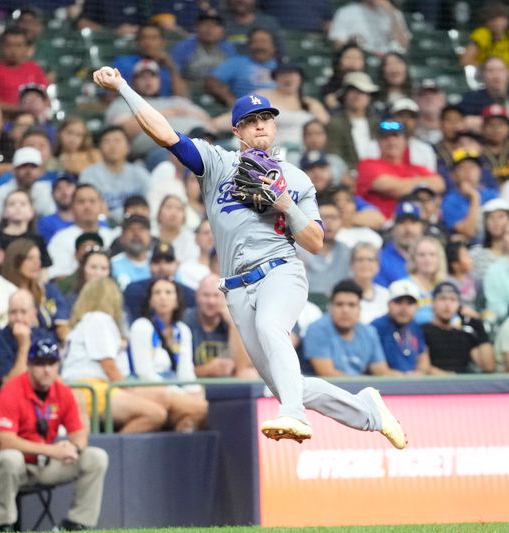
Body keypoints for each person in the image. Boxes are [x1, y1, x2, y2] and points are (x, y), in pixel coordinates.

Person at [93, 66, 407, 446]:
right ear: (237, 131)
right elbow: (165, 134)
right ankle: (368, 412)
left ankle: (293, 415)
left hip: (280, 272)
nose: (260, 125)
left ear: (274, 128)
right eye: (250, 121)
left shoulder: (296, 178)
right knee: (284, 383)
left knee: (272, 329)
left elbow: (314, 241)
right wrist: (124, 87)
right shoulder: (217, 164)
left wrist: (285, 205)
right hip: (236, 288)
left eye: (266, 119)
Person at [0, 335, 109, 532]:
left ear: (58, 366)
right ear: (29, 365)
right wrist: (52, 450)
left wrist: (74, 448)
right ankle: (3, 524)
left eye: (52, 363)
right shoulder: (11, 390)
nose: (47, 370)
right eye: (40, 363)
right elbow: (6, 441)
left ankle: (76, 523)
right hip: (10, 468)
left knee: (96, 457)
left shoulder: (62, 392)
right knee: (11, 458)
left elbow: (78, 433)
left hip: (44, 465)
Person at [60, 277, 170, 434]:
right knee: (156, 414)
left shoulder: (85, 322)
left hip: (87, 388)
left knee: (160, 396)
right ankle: (116, 449)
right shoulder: (99, 319)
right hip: (91, 389)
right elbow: (109, 366)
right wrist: (129, 390)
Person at [129, 277, 209, 432]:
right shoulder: (142, 326)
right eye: (157, 293)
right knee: (204, 409)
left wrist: (194, 391)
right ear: (150, 300)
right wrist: (180, 394)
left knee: (197, 405)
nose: (163, 297)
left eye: (168, 292)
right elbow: (144, 374)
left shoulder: (182, 329)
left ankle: (183, 433)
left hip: (174, 391)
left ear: (176, 300)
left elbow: (186, 372)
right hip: (148, 389)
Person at [303, 279, 396, 377]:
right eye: (339, 304)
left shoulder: (369, 333)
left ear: (359, 309)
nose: (345, 310)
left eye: (351, 305)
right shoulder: (317, 330)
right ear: (330, 308)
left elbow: (381, 372)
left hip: (358, 389)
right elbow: (328, 374)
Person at [355, 120, 444, 220]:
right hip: (382, 223)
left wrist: (401, 185)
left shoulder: (416, 168)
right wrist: (422, 184)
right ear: (378, 142)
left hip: (416, 223)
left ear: (405, 141)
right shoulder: (368, 165)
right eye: (385, 137)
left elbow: (439, 183)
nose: (391, 142)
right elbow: (391, 187)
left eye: (396, 136)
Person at [182, 274, 255, 378]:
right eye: (206, 295)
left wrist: (233, 325)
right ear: (197, 296)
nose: (211, 301)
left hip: (228, 382)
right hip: (196, 384)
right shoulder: (185, 321)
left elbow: (243, 366)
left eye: (216, 295)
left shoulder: (234, 320)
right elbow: (176, 372)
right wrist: (207, 369)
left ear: (225, 297)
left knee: (249, 374)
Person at [0, 289, 55, 392]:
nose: (18, 318)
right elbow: (9, 388)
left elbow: (53, 377)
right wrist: (24, 345)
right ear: (7, 313)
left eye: (23, 312)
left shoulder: (45, 338)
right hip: (12, 402)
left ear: (34, 314)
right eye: (13, 312)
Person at [0, 238, 69, 342]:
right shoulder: (4, 292)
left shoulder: (48, 290)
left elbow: (62, 322)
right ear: (15, 260)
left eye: (38, 258)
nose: (37, 263)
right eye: (30, 258)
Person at [78, 126, 149, 226]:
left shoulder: (140, 174)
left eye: (117, 141)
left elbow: (148, 205)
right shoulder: (89, 175)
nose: (113, 146)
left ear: (128, 147)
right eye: (107, 141)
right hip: (102, 227)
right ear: (100, 148)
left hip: (136, 226)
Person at [47, 184, 119, 279]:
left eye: (92, 201)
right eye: (81, 202)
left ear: (101, 205)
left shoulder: (113, 235)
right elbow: (55, 276)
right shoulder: (60, 239)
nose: (87, 206)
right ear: (72, 207)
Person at [422, 282, 494, 373]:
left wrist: (479, 326)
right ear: (433, 303)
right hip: (433, 384)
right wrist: (448, 377)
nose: (447, 304)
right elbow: (421, 367)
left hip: (462, 385)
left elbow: (488, 366)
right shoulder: (422, 331)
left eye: (453, 300)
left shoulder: (464, 334)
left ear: (459, 306)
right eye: (442, 299)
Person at [0, 27, 49, 113]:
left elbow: (46, 99)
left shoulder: (34, 68)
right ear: (0, 47)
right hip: (3, 121)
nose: (14, 50)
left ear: (26, 48)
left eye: (19, 45)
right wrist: (22, 110)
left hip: (35, 120)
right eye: (9, 45)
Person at [370, 279, 436, 375]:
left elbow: (424, 362)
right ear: (388, 304)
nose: (404, 308)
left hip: (413, 384)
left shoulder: (415, 326)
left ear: (417, 306)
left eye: (410, 303)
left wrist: (416, 375)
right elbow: (378, 370)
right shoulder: (376, 328)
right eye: (398, 302)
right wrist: (406, 379)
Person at [259, 62, 329, 149]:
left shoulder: (310, 103)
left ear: (300, 78)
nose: (288, 78)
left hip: (306, 153)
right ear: (275, 78)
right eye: (283, 74)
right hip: (273, 151)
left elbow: (325, 125)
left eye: (292, 74)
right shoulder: (262, 97)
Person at [123, 242, 196, 324]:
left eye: (168, 261)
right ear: (149, 265)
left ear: (176, 265)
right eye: (157, 261)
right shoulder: (134, 290)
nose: (162, 267)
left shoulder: (189, 294)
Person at [0, 147, 55, 229]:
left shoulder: (46, 190)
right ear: (14, 170)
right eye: (24, 166)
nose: (29, 171)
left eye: (33, 166)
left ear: (40, 171)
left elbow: (51, 219)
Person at [205, 28, 277, 106]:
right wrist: (229, 99)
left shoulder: (282, 66)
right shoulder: (237, 63)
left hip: (277, 108)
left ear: (273, 45)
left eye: (263, 42)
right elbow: (212, 81)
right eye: (255, 42)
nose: (259, 46)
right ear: (249, 45)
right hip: (246, 110)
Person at [325, 72, 381, 171]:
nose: (358, 96)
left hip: (378, 174)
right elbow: (334, 156)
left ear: (369, 97)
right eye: (353, 91)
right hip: (350, 175)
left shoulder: (377, 123)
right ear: (345, 95)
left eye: (363, 92)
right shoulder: (335, 123)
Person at [295, 201, 351, 298]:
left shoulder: (347, 251)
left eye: (334, 217)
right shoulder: (299, 249)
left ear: (341, 222)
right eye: (323, 217)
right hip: (307, 304)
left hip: (338, 304)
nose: (329, 222)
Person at [441, 149, 499, 242]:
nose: (468, 172)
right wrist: (474, 197)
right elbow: (469, 232)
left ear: (480, 171)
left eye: (472, 167)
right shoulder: (449, 202)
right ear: (453, 175)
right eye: (462, 168)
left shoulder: (492, 195)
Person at [171, 10, 237, 86]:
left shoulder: (228, 48)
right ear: (196, 28)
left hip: (220, 90)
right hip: (190, 89)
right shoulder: (183, 47)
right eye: (205, 24)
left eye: (215, 25)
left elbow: (234, 76)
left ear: (223, 31)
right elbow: (174, 74)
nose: (209, 29)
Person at [328, 0, 410, 55]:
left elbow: (404, 45)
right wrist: (351, 43)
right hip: (360, 59)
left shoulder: (395, 13)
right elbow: (337, 46)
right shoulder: (346, 12)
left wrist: (391, 12)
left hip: (388, 60)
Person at [375, 200, 425, 287]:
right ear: (393, 227)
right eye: (402, 223)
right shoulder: (381, 259)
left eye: (413, 223)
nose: (408, 229)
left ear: (422, 227)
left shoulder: (431, 257)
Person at [349, 243, 389, 325]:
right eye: (360, 260)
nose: (365, 264)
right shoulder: (344, 293)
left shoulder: (385, 294)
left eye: (370, 260)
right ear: (352, 264)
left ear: (378, 265)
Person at [110, 214, 153, 291]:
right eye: (131, 229)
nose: (136, 234)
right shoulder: (111, 265)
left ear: (150, 236)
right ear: (121, 237)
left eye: (141, 229)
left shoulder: (160, 263)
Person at [36, 172, 77, 245]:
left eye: (68, 186)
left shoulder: (89, 219)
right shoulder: (46, 222)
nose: (64, 192)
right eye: (58, 188)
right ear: (52, 195)